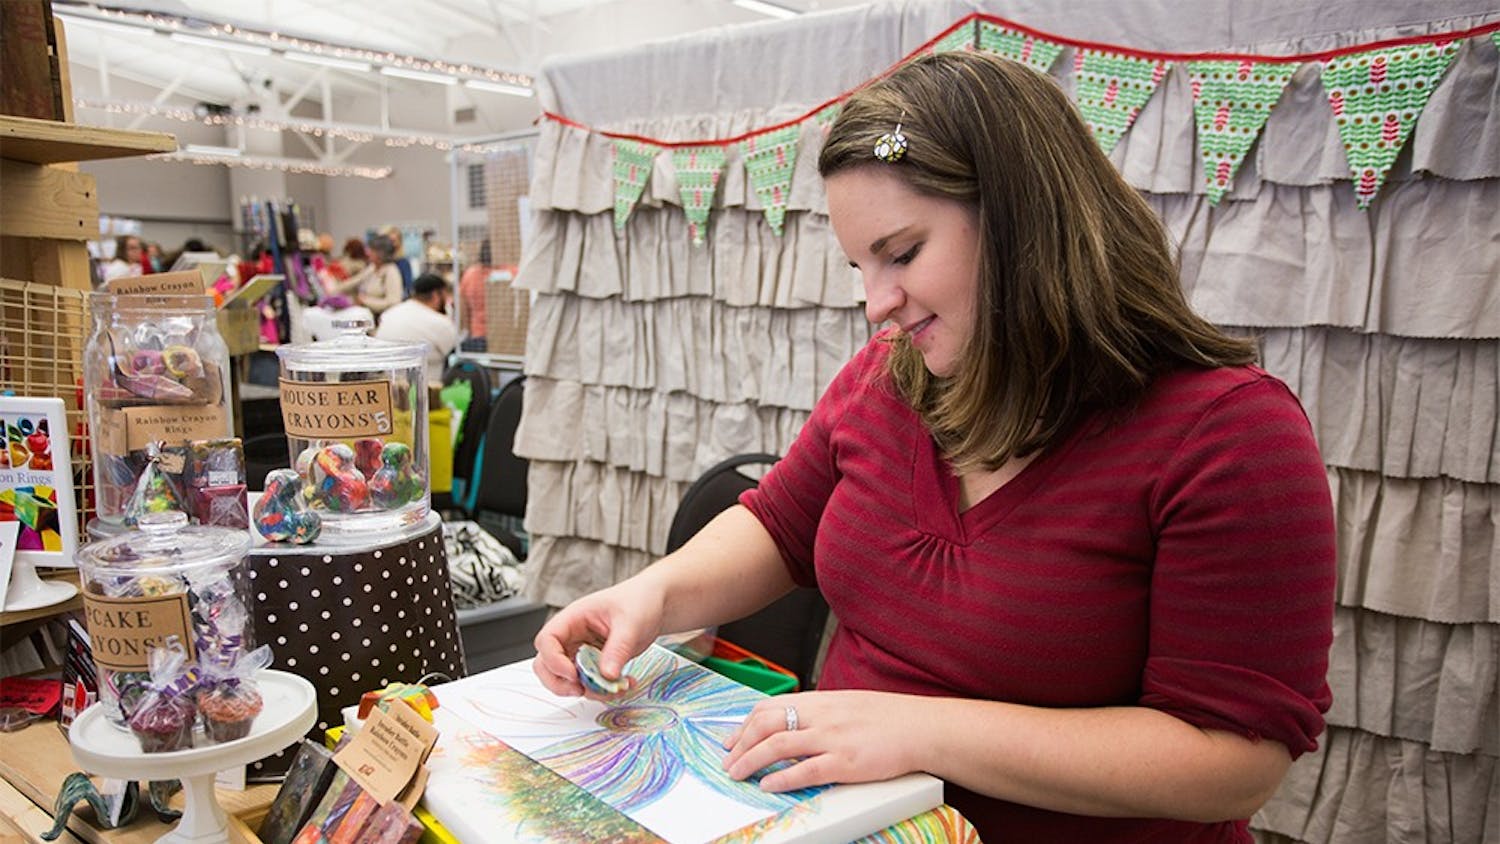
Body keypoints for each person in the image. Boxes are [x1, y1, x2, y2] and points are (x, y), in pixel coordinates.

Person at [532, 52, 1336, 843]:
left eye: (903, 254)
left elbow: (1233, 762)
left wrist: (916, 733)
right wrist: (655, 596)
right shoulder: (890, 377)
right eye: (860, 265)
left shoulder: (1232, 438)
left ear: (1026, 223)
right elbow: (781, 526)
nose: (877, 304)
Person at [374, 273, 459, 385]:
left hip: (386, 386)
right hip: (425, 390)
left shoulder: (389, 314)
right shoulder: (440, 323)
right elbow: (453, 350)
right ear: (436, 295)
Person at [333, 234, 403, 315]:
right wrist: (333, 290)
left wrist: (365, 301)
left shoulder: (391, 271)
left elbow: (393, 303)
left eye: (371, 250)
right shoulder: (372, 267)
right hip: (367, 315)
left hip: (380, 320)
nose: (367, 253)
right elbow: (354, 281)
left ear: (381, 253)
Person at [458, 239, 493, 340]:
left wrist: (466, 329)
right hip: (504, 334)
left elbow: (463, 309)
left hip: (477, 334)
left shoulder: (470, 274)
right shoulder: (510, 272)